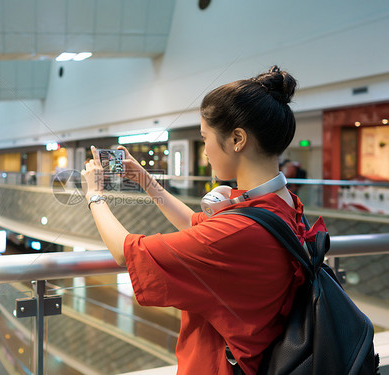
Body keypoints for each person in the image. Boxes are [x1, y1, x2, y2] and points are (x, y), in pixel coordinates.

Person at [81, 66, 317, 374]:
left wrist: (93, 194)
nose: (204, 151)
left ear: (237, 139)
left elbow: (127, 252)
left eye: (205, 138)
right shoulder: (284, 204)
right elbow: (199, 226)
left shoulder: (240, 230)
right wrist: (144, 179)